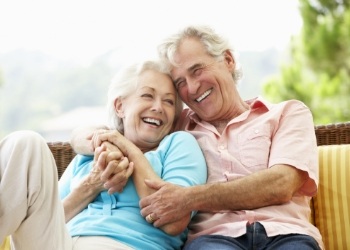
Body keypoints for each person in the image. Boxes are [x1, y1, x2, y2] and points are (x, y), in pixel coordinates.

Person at [70, 25, 324, 250]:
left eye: (197, 70)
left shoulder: (287, 113)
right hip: (214, 239)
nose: (191, 88)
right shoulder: (178, 124)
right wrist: (103, 143)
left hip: (285, 234)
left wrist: (188, 198)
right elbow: (98, 131)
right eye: (180, 82)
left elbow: (281, 184)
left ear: (227, 60)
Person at [0, 60, 207, 250]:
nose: (158, 107)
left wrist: (129, 150)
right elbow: (46, 220)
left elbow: (173, 222)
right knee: (25, 142)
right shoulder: (92, 151)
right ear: (120, 106)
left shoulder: (178, 145)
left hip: (126, 245)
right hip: (60, 243)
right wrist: (91, 185)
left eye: (169, 102)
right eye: (147, 95)